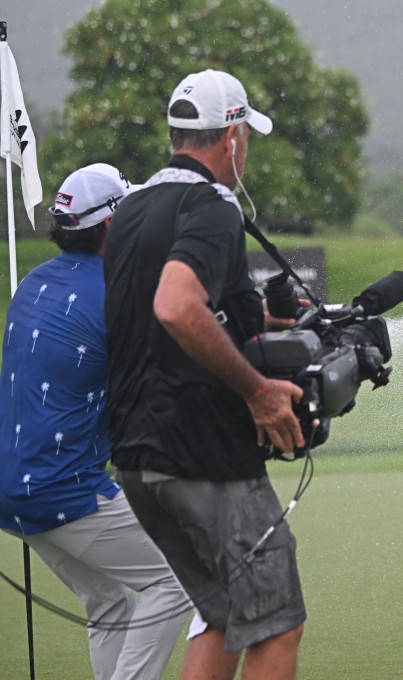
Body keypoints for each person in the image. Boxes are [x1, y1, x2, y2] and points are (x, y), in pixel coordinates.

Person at [103, 69, 307, 680]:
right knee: (276, 621)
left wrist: (261, 323)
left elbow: (163, 316)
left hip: (137, 458)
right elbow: (174, 304)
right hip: (201, 454)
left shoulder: (131, 206)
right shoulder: (213, 206)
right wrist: (259, 391)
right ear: (232, 135)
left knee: (222, 616)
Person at [0, 164, 192, 679]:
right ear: (112, 224)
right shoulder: (119, 290)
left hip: (11, 488)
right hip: (60, 488)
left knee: (109, 601)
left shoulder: (35, 280)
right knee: (178, 577)